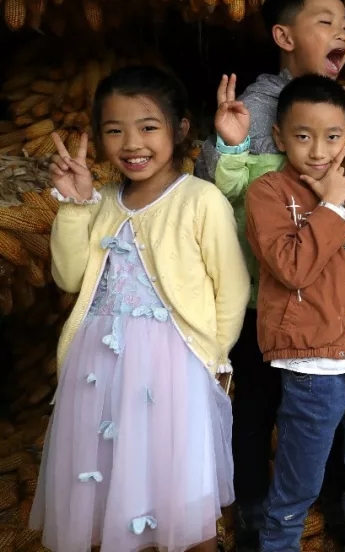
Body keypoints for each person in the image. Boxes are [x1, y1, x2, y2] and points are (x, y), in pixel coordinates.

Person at [31, 66, 250, 552]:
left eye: (148, 127)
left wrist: (212, 356)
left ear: (180, 128)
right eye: (114, 130)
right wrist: (74, 206)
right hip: (98, 370)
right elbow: (69, 277)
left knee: (179, 485)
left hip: (175, 368)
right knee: (108, 480)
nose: (132, 143)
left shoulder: (201, 199)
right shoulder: (101, 202)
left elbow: (231, 288)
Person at [194, 0, 345, 549]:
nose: (342, 33)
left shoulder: (341, 104)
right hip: (263, 299)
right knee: (257, 411)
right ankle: (255, 515)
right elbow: (216, 193)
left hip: (324, 299)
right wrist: (232, 148)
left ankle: (330, 502)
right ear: (284, 37)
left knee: (325, 408)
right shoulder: (256, 110)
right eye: (326, 22)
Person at [244, 75, 345, 552]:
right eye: (303, 136)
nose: (318, 150)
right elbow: (292, 268)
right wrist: (329, 203)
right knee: (298, 483)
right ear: (279, 137)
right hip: (314, 366)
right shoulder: (267, 193)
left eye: (332, 137)